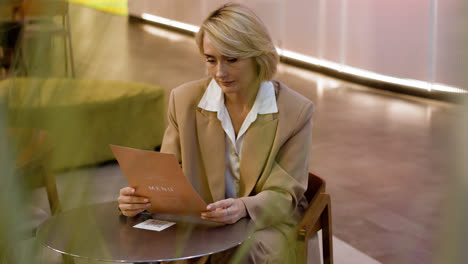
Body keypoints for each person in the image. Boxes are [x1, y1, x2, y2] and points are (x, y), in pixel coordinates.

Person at [118, 3, 314, 263]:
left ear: (257, 55)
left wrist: (243, 206)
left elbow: (285, 196)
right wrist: (137, 200)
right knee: (140, 243)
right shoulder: (184, 100)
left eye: (231, 59)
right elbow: (166, 177)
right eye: (211, 60)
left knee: (241, 250)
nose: (220, 72)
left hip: (262, 224)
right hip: (200, 222)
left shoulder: (295, 111)